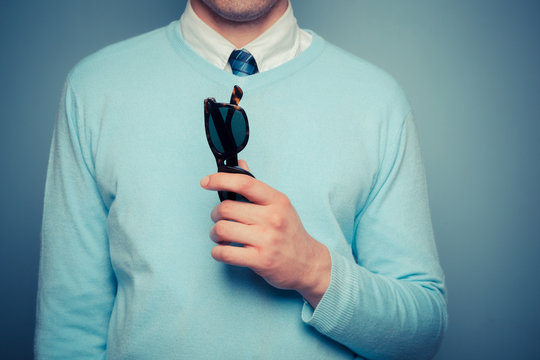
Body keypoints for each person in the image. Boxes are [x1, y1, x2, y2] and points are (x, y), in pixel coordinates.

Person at [35, 0, 447, 359]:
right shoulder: (93, 90)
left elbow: (421, 333)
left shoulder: (377, 102)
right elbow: (69, 332)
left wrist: (314, 271)